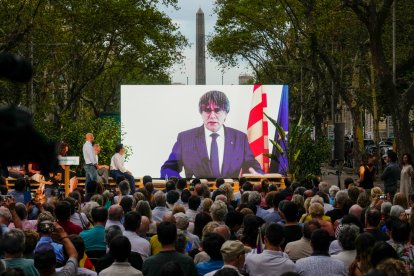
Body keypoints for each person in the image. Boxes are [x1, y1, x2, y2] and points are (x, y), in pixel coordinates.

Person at [161, 90, 264, 178]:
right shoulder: (185, 138)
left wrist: (256, 173)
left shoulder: (240, 138)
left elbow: (252, 166)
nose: (212, 116)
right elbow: (169, 168)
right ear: (201, 113)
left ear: (226, 113)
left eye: (217, 110)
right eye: (207, 110)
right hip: (196, 196)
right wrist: (179, 184)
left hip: (230, 195)